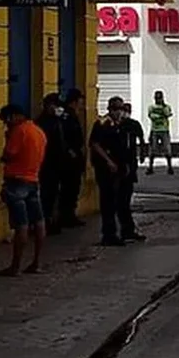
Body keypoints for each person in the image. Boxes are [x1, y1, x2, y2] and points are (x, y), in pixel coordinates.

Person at [0, 104, 48, 277]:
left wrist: (7, 140)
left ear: (14, 116)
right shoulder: (38, 132)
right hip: (33, 180)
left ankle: (15, 266)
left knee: (21, 225)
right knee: (39, 222)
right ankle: (36, 262)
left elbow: (8, 155)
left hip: (16, 181)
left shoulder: (19, 131)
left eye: (6, 120)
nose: (6, 124)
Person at [88, 96, 130, 246]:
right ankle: (109, 234)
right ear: (110, 109)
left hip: (118, 167)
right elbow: (94, 144)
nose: (118, 112)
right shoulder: (102, 124)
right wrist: (108, 161)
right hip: (105, 168)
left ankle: (118, 231)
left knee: (117, 200)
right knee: (108, 202)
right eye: (115, 109)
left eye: (120, 109)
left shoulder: (119, 125)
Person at [35, 93, 66, 235]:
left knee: (54, 194)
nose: (58, 108)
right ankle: (45, 222)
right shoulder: (42, 123)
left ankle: (52, 221)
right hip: (46, 164)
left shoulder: (58, 121)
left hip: (57, 164)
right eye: (55, 105)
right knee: (46, 195)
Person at [118, 103, 147, 241]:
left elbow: (141, 140)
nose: (124, 113)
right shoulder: (114, 125)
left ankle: (126, 229)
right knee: (121, 200)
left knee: (125, 198)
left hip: (130, 165)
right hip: (119, 166)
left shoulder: (133, 124)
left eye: (126, 111)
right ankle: (124, 229)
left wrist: (142, 154)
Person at [59, 88, 86, 228]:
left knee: (73, 188)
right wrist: (70, 151)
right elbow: (63, 137)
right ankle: (66, 216)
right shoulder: (66, 116)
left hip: (75, 157)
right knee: (68, 189)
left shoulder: (72, 115)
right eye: (80, 101)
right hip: (69, 159)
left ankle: (70, 215)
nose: (82, 104)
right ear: (75, 101)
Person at [146, 90, 174, 175]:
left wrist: (163, 106)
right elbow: (152, 116)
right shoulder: (151, 107)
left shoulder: (166, 106)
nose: (158, 100)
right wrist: (161, 115)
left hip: (164, 130)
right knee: (152, 149)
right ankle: (150, 167)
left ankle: (170, 167)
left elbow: (168, 114)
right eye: (157, 98)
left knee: (167, 149)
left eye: (160, 98)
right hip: (154, 130)